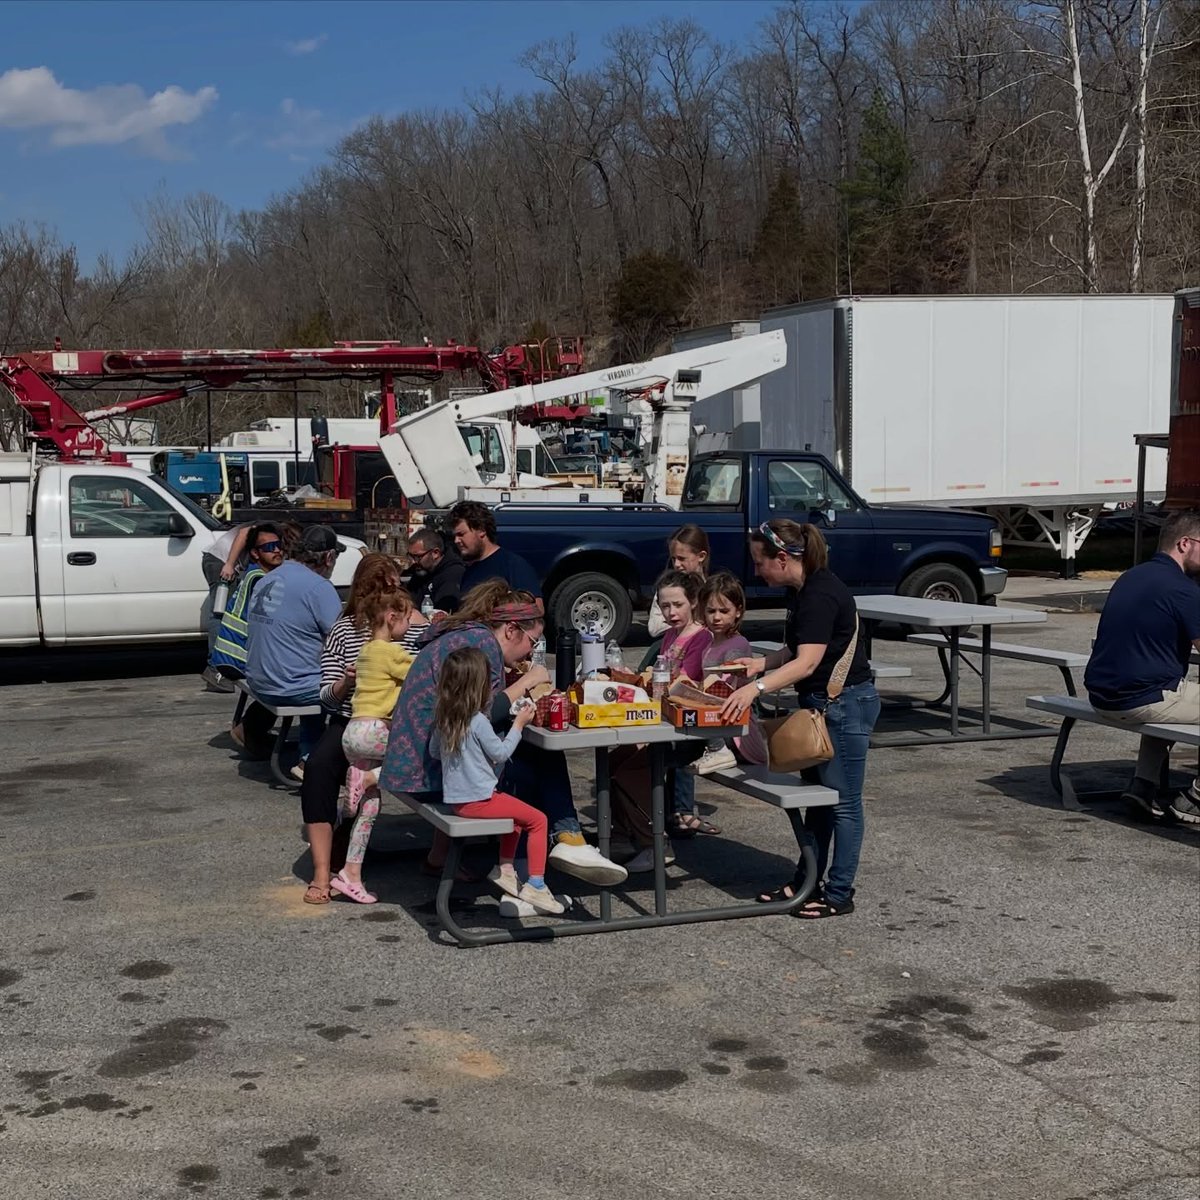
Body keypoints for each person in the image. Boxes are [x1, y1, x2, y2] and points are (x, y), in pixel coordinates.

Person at [378, 580, 626, 886]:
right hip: (426, 771)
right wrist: (529, 680)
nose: (531, 652)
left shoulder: (467, 633)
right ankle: (533, 864)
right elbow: (483, 717)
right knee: (532, 764)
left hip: (411, 760)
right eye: (532, 642)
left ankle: (549, 845)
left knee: (528, 758)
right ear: (510, 629)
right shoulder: (483, 647)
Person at [719, 519, 880, 919]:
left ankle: (839, 892)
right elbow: (799, 649)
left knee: (842, 804)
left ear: (782, 558)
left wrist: (754, 689)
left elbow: (807, 664)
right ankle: (806, 881)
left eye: (760, 562)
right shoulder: (806, 589)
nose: (755, 570)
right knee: (820, 803)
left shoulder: (818, 594)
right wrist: (760, 664)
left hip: (843, 707)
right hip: (827, 707)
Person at [301, 553, 412, 906]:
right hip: (353, 718)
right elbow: (325, 697)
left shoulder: (411, 623)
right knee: (318, 768)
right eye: (373, 590)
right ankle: (321, 871)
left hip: (393, 721)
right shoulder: (344, 629)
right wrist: (345, 684)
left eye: (388, 589)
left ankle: (350, 846)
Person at [1083, 510, 1200, 824]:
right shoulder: (1182, 589)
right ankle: (1195, 800)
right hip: (1141, 699)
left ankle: (1142, 786)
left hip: (1103, 696)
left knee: (1171, 696)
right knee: (1168, 695)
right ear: (1185, 544)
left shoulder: (1132, 576)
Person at [431, 647, 563, 914]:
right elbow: (501, 752)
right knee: (538, 820)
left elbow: (435, 752)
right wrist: (519, 724)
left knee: (515, 818)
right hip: (480, 800)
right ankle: (536, 884)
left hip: (459, 801)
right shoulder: (477, 720)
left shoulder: (445, 717)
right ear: (479, 686)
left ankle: (505, 868)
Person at [327, 589, 416, 905]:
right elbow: (420, 672)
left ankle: (351, 873)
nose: (411, 625)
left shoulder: (364, 652)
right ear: (392, 618)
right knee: (417, 755)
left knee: (370, 806)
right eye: (408, 619)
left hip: (353, 734)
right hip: (376, 731)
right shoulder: (392, 652)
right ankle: (365, 779)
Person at [244, 525, 344, 776]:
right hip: (290, 686)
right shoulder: (319, 587)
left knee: (312, 669)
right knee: (350, 685)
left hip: (258, 678)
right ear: (329, 557)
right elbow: (343, 638)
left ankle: (307, 751)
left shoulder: (267, 577)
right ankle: (311, 759)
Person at [687, 571, 769, 780]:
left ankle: (718, 750)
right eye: (711, 611)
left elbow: (724, 688)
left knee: (686, 735)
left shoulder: (737, 645)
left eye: (724, 611)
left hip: (733, 725)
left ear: (738, 612)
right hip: (719, 718)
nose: (716, 617)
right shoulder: (709, 643)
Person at [210, 523, 285, 687]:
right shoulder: (260, 580)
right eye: (269, 547)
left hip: (228, 656)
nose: (277, 550)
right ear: (255, 553)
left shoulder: (252, 573)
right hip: (238, 659)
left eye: (279, 545)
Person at [448, 500, 542, 609]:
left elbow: (537, 609)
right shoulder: (469, 571)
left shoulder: (513, 565)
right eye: (454, 536)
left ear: (481, 530)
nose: (456, 540)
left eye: (461, 534)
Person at [201, 522, 254, 692]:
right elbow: (244, 533)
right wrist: (230, 564)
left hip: (227, 562)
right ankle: (216, 670)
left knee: (228, 614)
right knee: (220, 614)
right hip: (221, 562)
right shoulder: (274, 522)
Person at [646, 525, 711, 638]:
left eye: (682, 559)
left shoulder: (712, 590)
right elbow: (654, 628)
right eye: (673, 558)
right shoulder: (667, 588)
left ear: (701, 556)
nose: (676, 564)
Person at [408, 529, 465, 615]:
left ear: (435, 553)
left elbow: (444, 612)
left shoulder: (453, 574)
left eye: (418, 557)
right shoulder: (418, 571)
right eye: (410, 556)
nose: (413, 562)